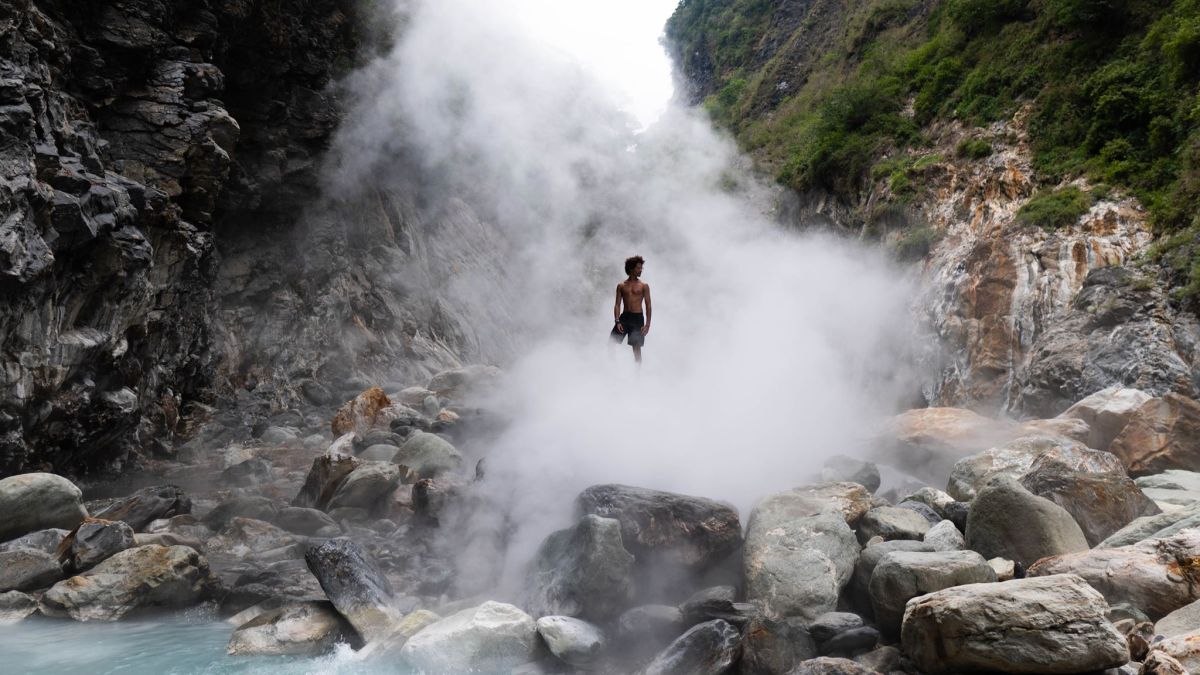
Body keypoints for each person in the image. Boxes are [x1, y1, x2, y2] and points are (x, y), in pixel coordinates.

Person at [610, 255, 651, 363]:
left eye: (641, 268)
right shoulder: (621, 286)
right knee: (611, 343)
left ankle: (637, 376)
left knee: (636, 349)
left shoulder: (644, 286)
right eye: (638, 268)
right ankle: (612, 368)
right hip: (625, 317)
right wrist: (617, 320)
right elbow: (617, 304)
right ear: (631, 268)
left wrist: (647, 325)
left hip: (637, 319)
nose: (640, 270)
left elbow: (648, 305)